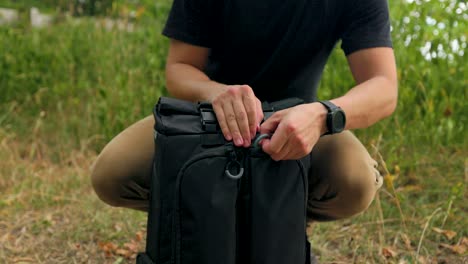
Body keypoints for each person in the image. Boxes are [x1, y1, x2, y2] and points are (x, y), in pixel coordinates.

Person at [91, 0, 397, 251]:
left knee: (355, 182)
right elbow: (180, 68)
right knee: (112, 174)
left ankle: (280, 220)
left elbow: (382, 85)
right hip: (207, 117)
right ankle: (203, 218)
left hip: (298, 120)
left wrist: (321, 115)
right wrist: (216, 93)